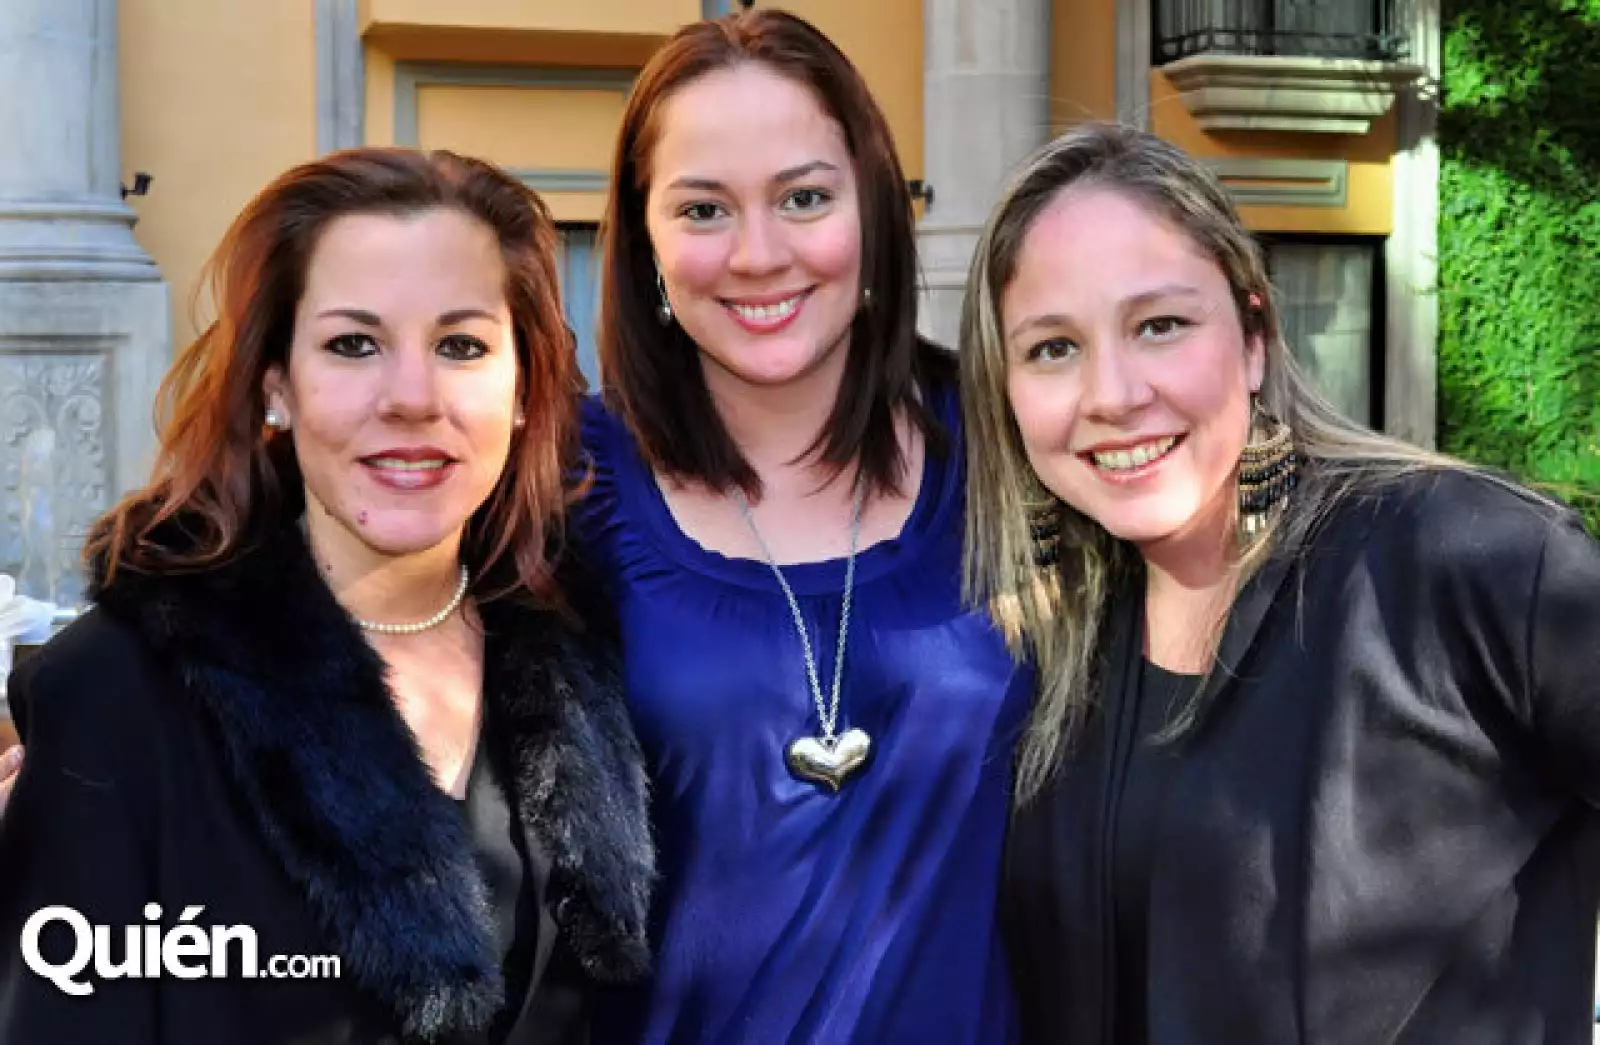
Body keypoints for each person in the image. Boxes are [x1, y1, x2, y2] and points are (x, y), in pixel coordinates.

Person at [959, 121, 1600, 1044]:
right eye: (1053, 348)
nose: (1112, 394)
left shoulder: (1466, 558)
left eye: (1160, 325)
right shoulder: (1055, 644)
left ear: (1254, 335)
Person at [0, 148, 653, 1045]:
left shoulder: (587, 654)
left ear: (524, 390)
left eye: (461, 345)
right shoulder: (117, 687)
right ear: (276, 384)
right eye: (354, 344)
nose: (412, 397)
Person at [580, 9, 1029, 1043]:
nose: (759, 253)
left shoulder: (1013, 455)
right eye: (703, 209)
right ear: (644, 242)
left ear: (872, 208)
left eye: (804, 197)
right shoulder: (561, 490)